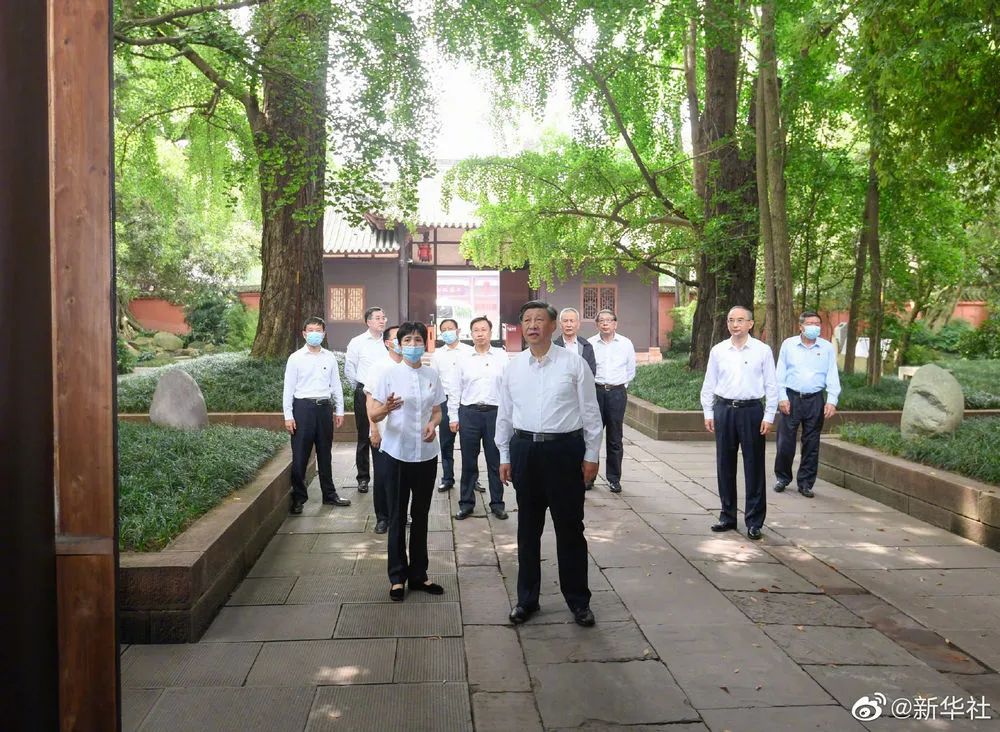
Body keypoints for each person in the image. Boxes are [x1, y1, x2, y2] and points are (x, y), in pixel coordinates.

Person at [497, 300, 603, 627]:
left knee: (570, 528)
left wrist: (591, 454)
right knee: (527, 529)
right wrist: (504, 455)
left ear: (552, 325)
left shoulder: (574, 364)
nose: (533, 325)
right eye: (527, 320)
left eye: (539, 319)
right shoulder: (513, 368)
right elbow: (505, 414)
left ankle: (579, 601)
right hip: (525, 450)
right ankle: (527, 600)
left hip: (564, 451)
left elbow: (591, 413)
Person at [368, 321, 446, 601]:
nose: (413, 345)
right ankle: (397, 577)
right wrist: (386, 408)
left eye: (418, 340)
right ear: (399, 345)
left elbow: (437, 411)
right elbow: (374, 414)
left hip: (426, 454)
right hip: (397, 454)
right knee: (398, 516)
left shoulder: (432, 374)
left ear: (425, 343)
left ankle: (419, 575)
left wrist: (433, 424)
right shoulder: (388, 374)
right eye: (408, 340)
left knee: (421, 515)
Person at [699, 306, 778, 540]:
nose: (735, 324)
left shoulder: (762, 351)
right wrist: (708, 412)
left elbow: (771, 385)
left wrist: (769, 415)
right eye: (731, 320)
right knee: (725, 464)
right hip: (724, 410)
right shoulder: (718, 351)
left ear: (750, 324)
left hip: (752, 411)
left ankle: (754, 521)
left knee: (754, 466)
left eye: (740, 320)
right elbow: (709, 383)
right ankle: (727, 516)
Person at [282, 316, 349, 514]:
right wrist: (288, 415)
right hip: (302, 409)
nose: (314, 334)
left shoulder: (329, 357)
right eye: (310, 330)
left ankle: (329, 494)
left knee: (325, 453)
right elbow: (288, 388)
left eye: (318, 330)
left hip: (324, 408)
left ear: (323, 333)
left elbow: (336, 385)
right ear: (304, 334)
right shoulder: (295, 358)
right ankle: (299, 498)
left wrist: (340, 410)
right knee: (300, 456)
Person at [774, 311, 841, 498]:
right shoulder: (789, 345)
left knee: (811, 443)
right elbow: (780, 373)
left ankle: (805, 483)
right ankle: (782, 478)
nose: (814, 327)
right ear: (801, 326)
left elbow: (832, 374)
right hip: (791, 398)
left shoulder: (826, 348)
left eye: (817, 324)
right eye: (810, 323)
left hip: (815, 400)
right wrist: (781, 397)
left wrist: (832, 400)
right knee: (785, 442)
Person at [450, 316, 508, 521]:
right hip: (469, 414)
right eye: (476, 330)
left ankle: (497, 503)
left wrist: (509, 418)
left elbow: (508, 388)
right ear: (471, 334)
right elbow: (455, 389)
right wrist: (453, 416)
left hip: (495, 414)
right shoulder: (463, 358)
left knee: (495, 460)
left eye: (484, 330)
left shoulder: (501, 356)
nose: (480, 334)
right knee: (468, 461)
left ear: (491, 333)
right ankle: (466, 503)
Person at [588, 309, 636, 494]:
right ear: (597, 324)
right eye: (602, 320)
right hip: (596, 392)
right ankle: (589, 477)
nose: (605, 323)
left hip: (617, 393)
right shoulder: (590, 344)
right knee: (592, 437)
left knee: (615, 438)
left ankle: (614, 478)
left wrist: (620, 386)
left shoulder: (625, 343)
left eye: (609, 320)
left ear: (615, 323)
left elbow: (630, 370)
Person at [345, 306, 389, 493]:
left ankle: (384, 474)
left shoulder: (388, 342)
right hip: (364, 392)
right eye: (377, 318)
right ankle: (363, 477)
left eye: (383, 317)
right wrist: (360, 388)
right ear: (368, 321)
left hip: (386, 393)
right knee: (364, 435)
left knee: (386, 432)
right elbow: (349, 369)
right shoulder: (357, 342)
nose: (382, 321)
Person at [363, 325, 402, 534]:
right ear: (387, 343)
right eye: (397, 337)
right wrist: (374, 430)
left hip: (404, 434)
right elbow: (370, 400)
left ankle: (400, 514)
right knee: (382, 475)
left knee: (402, 477)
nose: (402, 341)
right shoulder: (379, 367)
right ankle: (383, 517)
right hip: (383, 431)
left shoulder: (410, 366)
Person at [431, 318, 475, 493]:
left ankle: (472, 479)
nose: (447, 332)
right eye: (444, 330)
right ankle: (447, 478)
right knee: (446, 442)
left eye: (450, 328)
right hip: (445, 400)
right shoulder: (437, 355)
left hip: (467, 401)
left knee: (470, 444)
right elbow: (433, 379)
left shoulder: (469, 351)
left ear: (458, 330)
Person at [554, 307, 597, 375]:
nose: (568, 325)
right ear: (560, 324)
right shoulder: (553, 347)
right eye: (565, 321)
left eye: (572, 321)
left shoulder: (586, 346)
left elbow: (591, 372)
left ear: (578, 324)